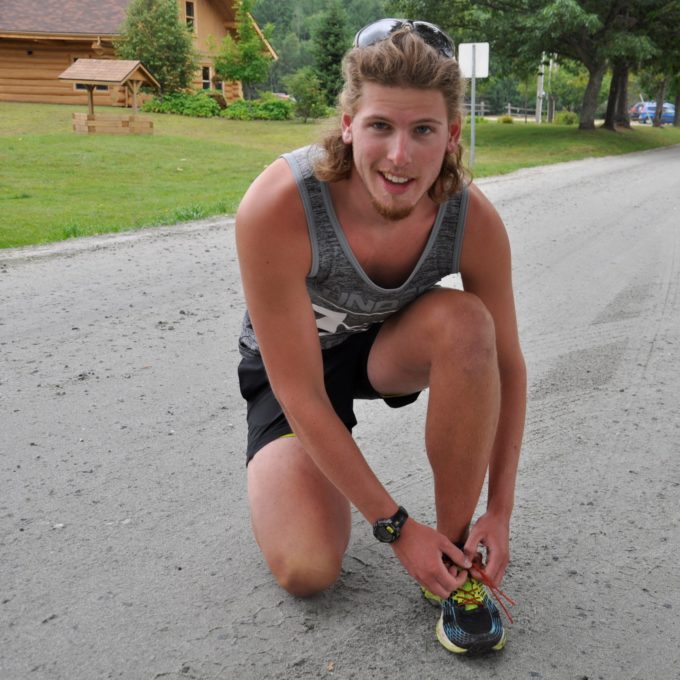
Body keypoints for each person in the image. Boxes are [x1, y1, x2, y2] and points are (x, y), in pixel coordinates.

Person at [233, 18, 527, 655]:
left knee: (469, 323)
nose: (400, 157)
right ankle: (285, 477)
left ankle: (448, 559)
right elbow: (301, 390)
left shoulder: (470, 218)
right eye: (380, 127)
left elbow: (508, 366)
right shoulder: (278, 204)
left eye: (423, 131)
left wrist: (497, 511)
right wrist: (394, 526)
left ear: (451, 136)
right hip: (297, 371)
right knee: (307, 570)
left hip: (386, 353)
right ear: (347, 124)